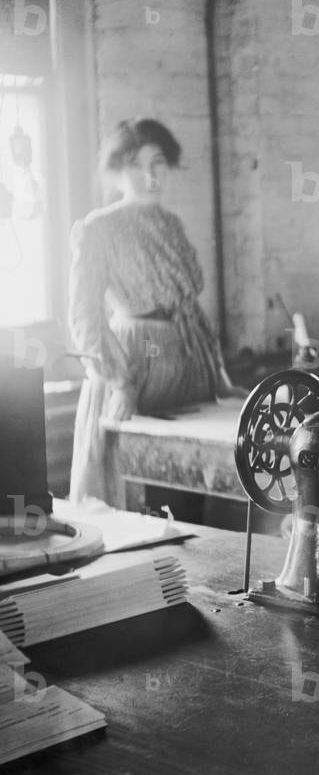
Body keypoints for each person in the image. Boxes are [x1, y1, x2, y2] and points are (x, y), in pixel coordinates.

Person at [68, 118, 244, 504]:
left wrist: (218, 373)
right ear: (117, 173)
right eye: (136, 164)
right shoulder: (98, 229)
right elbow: (85, 318)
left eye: (159, 161)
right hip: (135, 369)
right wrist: (119, 382)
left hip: (187, 367)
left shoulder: (172, 225)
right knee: (139, 493)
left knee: (189, 488)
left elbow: (190, 309)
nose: (150, 174)